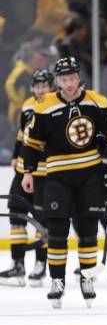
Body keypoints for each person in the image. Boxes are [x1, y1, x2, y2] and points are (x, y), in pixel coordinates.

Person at [21, 57, 107, 309]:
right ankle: (57, 281)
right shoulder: (45, 106)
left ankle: (87, 278)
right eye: (63, 79)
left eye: (72, 78)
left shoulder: (97, 102)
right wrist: (28, 172)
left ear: (79, 77)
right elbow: (32, 144)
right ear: (58, 81)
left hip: (90, 176)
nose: (68, 84)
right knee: (57, 232)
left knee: (88, 231)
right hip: (56, 177)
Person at [0, 70, 54, 287]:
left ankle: (40, 265)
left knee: (41, 219)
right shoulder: (28, 105)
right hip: (23, 171)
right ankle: (18, 264)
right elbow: (22, 136)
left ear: (52, 87)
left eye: (44, 85)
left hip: (45, 173)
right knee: (16, 213)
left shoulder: (55, 106)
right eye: (37, 85)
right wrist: (15, 156)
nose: (40, 89)